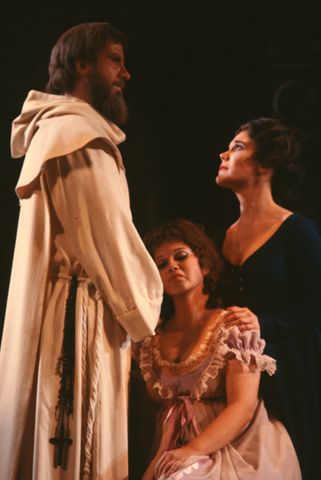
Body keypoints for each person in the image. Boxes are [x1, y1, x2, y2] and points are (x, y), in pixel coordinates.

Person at [0, 23, 163, 480]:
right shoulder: (78, 138)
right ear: (82, 64)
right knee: (72, 448)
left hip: (70, 304)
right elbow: (107, 237)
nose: (126, 73)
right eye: (115, 59)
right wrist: (150, 308)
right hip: (80, 313)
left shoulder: (61, 132)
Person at [134, 219, 301, 479]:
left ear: (205, 263)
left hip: (238, 445)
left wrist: (192, 449)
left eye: (181, 256)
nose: (173, 267)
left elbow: (243, 407)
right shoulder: (151, 339)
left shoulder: (233, 325)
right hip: (171, 450)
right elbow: (148, 417)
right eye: (161, 263)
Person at [215, 117, 321, 480]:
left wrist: (265, 322)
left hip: (291, 375)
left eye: (238, 147)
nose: (224, 154)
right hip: (236, 380)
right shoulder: (221, 239)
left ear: (264, 166)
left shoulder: (297, 230)